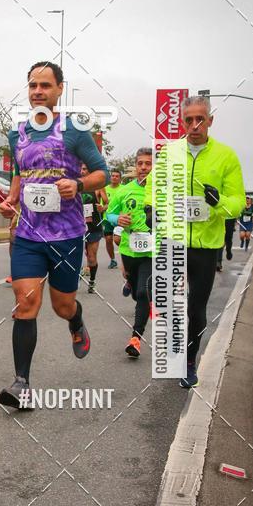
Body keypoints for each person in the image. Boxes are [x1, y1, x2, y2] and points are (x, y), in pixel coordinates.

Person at [0, 61, 108, 408]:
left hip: (67, 235)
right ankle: (21, 385)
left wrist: (78, 183)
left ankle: (75, 319)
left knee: (61, 306)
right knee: (26, 303)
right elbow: (20, 171)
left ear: (60, 89)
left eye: (45, 85)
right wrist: (12, 198)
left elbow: (102, 174)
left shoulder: (74, 130)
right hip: (29, 235)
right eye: (32, 86)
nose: (38, 92)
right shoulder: (19, 134)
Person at [145, 95, 246, 388]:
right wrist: (151, 207)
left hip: (206, 244)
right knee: (168, 303)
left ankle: (189, 361)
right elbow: (155, 184)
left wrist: (219, 201)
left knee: (195, 308)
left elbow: (237, 202)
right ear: (182, 122)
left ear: (210, 121)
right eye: (188, 119)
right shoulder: (170, 152)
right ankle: (174, 353)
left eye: (200, 119)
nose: (194, 124)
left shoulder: (226, 156)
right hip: (172, 239)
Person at [105, 148, 153, 358]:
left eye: (148, 163)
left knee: (144, 293)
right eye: (140, 163)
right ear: (136, 166)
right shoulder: (125, 190)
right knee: (136, 292)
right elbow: (109, 213)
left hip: (153, 251)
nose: (144, 167)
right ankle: (130, 282)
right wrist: (118, 220)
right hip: (128, 249)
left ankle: (135, 339)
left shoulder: (163, 191)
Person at [81, 162, 106, 294]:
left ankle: (92, 280)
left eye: (85, 169)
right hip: (76, 226)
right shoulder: (74, 185)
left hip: (93, 226)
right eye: (81, 168)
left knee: (91, 257)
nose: (82, 171)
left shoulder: (98, 187)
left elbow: (107, 203)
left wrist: (103, 208)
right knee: (74, 254)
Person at [103, 170, 122, 268]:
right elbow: (102, 204)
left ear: (120, 178)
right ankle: (113, 259)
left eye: (117, 176)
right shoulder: (105, 189)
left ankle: (125, 256)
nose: (114, 177)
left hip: (120, 219)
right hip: (107, 218)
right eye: (113, 176)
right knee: (108, 239)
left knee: (118, 240)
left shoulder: (124, 189)